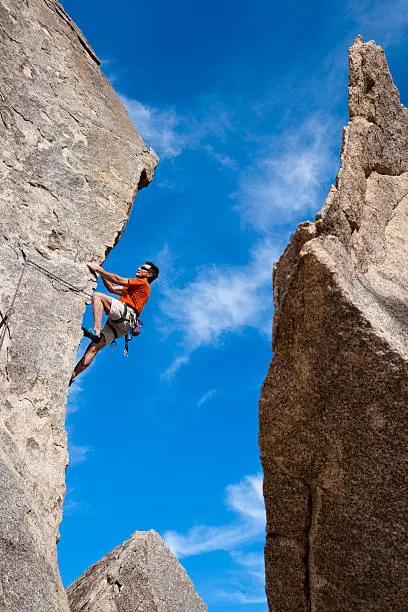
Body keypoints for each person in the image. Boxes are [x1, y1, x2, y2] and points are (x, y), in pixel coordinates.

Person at [69, 261, 159, 385]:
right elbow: (111, 288)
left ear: (148, 274)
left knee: (98, 296)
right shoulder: (134, 288)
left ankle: (96, 329)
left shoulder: (142, 283)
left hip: (126, 315)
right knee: (93, 348)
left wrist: (99, 270)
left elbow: (117, 279)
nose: (139, 268)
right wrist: (102, 274)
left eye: (143, 268)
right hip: (123, 327)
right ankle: (71, 377)